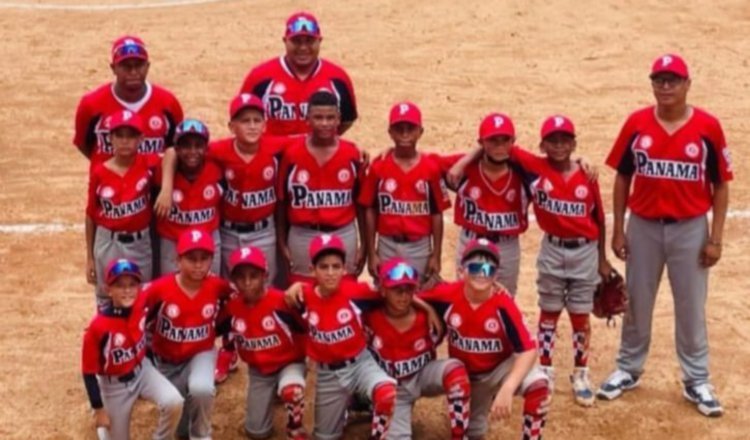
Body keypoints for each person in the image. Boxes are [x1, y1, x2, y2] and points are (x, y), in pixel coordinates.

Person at [598, 54, 732, 418]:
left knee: (691, 305)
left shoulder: (707, 127)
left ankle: (696, 379)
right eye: (660, 80)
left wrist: (715, 237)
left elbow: (721, 185)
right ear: (652, 84)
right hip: (643, 226)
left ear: (688, 84)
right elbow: (623, 177)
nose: (666, 86)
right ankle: (628, 368)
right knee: (638, 301)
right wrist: (619, 230)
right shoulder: (637, 124)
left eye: (674, 80)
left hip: (690, 228)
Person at [507, 115, 612, 407]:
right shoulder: (536, 168)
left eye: (565, 140)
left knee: (581, 314)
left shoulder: (586, 176)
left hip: (585, 251)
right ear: (542, 145)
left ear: (574, 143)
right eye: (552, 140)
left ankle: (581, 372)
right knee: (549, 312)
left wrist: (602, 260)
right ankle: (546, 368)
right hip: (552, 249)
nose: (558, 145)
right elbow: (506, 146)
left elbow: (600, 220)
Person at [419, 239, 550, 440]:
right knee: (474, 433)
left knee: (539, 385)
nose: (482, 273)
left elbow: (528, 349)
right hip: (467, 379)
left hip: (499, 371)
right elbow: (406, 294)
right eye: (475, 267)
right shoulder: (448, 294)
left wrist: (508, 387)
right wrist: (428, 309)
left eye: (489, 269)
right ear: (462, 271)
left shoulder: (503, 303)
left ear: (496, 275)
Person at [284, 233, 397, 440]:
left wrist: (427, 307)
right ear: (312, 271)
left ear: (344, 269)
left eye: (336, 266)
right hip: (328, 374)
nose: (330, 273)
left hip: (360, 364)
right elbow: (281, 300)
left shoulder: (356, 292)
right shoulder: (304, 296)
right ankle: (350, 405)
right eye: (323, 267)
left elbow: (393, 292)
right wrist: (294, 287)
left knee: (386, 393)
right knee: (325, 436)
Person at [363, 258, 470, 440]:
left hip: (422, 377)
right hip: (393, 392)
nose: (403, 296)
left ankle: (460, 436)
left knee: (456, 372)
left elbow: (466, 291)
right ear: (383, 290)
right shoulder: (369, 316)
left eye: (408, 290)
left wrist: (495, 285)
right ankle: (360, 402)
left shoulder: (428, 318)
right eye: (397, 290)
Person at [144, 228, 232, 439]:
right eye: (191, 259)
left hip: (201, 353)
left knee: (201, 389)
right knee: (180, 429)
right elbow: (133, 313)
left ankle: (202, 434)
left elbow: (245, 297)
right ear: (177, 260)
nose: (199, 264)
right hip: (167, 361)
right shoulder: (159, 289)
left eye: (204, 258)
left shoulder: (218, 287)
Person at [81, 258, 183, 440]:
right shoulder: (98, 327)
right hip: (114, 386)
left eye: (132, 284)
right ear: (108, 290)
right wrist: (99, 409)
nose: (127, 290)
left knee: (174, 401)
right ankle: (106, 432)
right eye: (120, 285)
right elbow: (88, 372)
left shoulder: (141, 307)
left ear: (139, 287)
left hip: (142, 371)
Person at [217, 246, 308, 439]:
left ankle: (295, 426)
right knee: (257, 432)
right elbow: (212, 330)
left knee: (291, 391)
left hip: (289, 363)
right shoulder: (232, 308)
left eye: (254, 276)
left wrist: (303, 288)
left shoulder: (282, 302)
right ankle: (275, 391)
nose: (248, 282)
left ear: (265, 275)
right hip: (259, 371)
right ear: (233, 280)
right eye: (241, 277)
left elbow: (310, 322)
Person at [277, 91, 366, 284]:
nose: (324, 123)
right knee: (301, 293)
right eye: (318, 117)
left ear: (338, 120)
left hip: (342, 232)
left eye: (330, 118)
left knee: (344, 289)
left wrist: (365, 244)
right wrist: (282, 241)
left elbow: (361, 203)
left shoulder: (352, 154)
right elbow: (282, 202)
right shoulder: (292, 155)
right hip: (302, 234)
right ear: (307, 119)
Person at [358, 102, 451, 284]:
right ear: (390, 132)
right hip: (387, 243)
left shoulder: (430, 169)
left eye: (410, 128)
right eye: (399, 128)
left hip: (419, 245)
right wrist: (372, 252)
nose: (405, 134)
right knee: (385, 293)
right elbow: (370, 210)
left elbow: (436, 213)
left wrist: (436, 254)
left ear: (420, 132)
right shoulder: (379, 168)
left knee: (418, 292)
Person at [442, 112, 531, 295]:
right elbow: (421, 162)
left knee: (503, 300)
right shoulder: (464, 168)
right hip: (471, 241)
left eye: (504, 140)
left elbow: (555, 166)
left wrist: (579, 160)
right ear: (481, 143)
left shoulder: (524, 171)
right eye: (493, 141)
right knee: (468, 297)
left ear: (513, 141)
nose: (499, 146)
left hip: (506, 247)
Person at [239, 11, 357, 136]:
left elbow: (346, 120)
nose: (303, 47)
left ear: (320, 41)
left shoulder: (337, 78)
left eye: (309, 41)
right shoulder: (260, 77)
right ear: (285, 41)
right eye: (296, 41)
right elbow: (241, 119)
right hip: (274, 154)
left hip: (319, 154)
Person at [85, 110, 158, 308]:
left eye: (131, 135)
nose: (125, 141)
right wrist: (90, 257)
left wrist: (167, 187)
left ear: (141, 139)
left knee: (142, 298)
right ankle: (108, 337)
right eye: (119, 135)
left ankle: (140, 340)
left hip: (139, 243)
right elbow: (91, 214)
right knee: (107, 297)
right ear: (110, 138)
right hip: (108, 242)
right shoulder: (99, 171)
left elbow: (171, 155)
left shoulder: (148, 163)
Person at [73, 35, 183, 168]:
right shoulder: (91, 104)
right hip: (107, 185)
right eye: (126, 66)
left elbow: (177, 148)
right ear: (113, 68)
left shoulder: (168, 104)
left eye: (139, 65)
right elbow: (83, 144)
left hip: (153, 186)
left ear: (147, 66)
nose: (133, 72)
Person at [155, 119, 222, 275]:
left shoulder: (217, 167)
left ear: (206, 148)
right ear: (177, 148)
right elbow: (168, 154)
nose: (192, 151)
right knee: (172, 291)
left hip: (208, 241)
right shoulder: (162, 170)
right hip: (173, 242)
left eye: (198, 145)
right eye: (186, 146)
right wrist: (166, 187)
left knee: (211, 291)